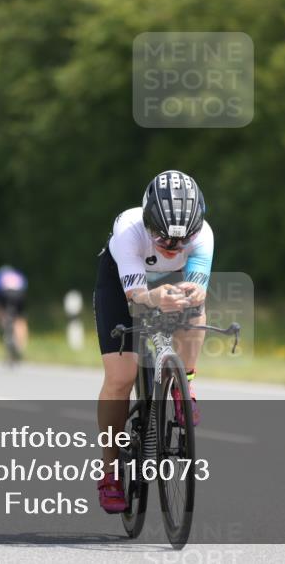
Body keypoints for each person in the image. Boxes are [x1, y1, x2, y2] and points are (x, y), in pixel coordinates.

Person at [93, 170, 213, 513]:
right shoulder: (128, 231)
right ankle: (110, 470)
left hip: (169, 284)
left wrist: (189, 294)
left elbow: (198, 286)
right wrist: (154, 297)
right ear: (148, 224)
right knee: (121, 377)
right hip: (123, 288)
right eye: (163, 240)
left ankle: (183, 384)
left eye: (181, 242)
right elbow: (135, 299)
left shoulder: (204, 235)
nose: (173, 248)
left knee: (196, 309)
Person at [0, 265, 29, 357]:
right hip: (20, 294)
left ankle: (3, 324)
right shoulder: (17, 274)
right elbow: (25, 285)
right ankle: (21, 346)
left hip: (3, 294)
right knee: (20, 319)